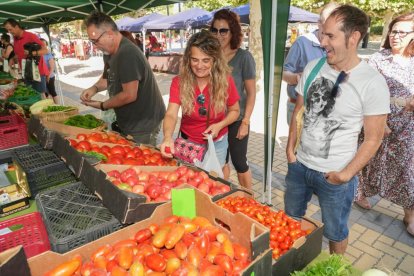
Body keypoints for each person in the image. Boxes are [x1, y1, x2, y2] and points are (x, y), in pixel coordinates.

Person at [284, 4, 390, 254]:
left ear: (353, 37)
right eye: (322, 33)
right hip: (299, 167)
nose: (322, 41)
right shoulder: (312, 68)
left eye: (330, 36)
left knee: (335, 232)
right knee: (290, 221)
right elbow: (300, 112)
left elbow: (373, 139)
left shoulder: (372, 83)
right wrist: (290, 152)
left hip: (335, 176)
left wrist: (344, 175)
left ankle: (337, 268)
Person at [355, 12, 414, 236]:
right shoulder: (379, 58)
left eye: (401, 32)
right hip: (377, 119)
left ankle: (410, 214)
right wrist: (377, 121)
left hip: (407, 127)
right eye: (393, 31)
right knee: (367, 160)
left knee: (407, 170)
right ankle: (359, 193)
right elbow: (365, 90)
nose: (395, 36)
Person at [80, 10, 166, 145]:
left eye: (95, 41)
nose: (94, 46)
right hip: (129, 120)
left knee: (141, 160)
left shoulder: (128, 53)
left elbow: (129, 95)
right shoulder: (108, 51)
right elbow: (107, 78)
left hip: (143, 122)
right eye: (91, 41)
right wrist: (94, 88)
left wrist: (103, 105)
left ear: (109, 34)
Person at [160, 30, 240, 171]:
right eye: (194, 60)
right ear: (188, 59)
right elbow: (171, 114)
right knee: (187, 184)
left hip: (217, 144)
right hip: (188, 144)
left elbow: (235, 111)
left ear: (215, 60)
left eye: (206, 60)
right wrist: (167, 137)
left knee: (213, 184)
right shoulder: (179, 82)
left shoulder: (225, 81)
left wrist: (220, 125)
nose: (199, 66)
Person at [210, 9, 256, 189]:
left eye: (224, 31)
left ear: (233, 32)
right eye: (214, 30)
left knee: (239, 162)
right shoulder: (210, 57)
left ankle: (249, 198)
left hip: (237, 119)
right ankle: (225, 194)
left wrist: (246, 121)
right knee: (221, 162)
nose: (218, 35)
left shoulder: (244, 57)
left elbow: (251, 92)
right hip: (216, 120)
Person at [283, 3, 339, 124]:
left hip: (330, 109)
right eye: (327, 22)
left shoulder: (340, 45)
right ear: (319, 22)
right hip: (301, 106)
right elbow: (283, 73)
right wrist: (298, 78)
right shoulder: (302, 42)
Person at [3, 18, 49, 94]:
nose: (9, 32)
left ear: (17, 27)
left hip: (37, 72)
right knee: (30, 94)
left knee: (40, 96)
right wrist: (12, 60)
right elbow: (18, 54)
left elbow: (45, 50)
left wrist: (32, 53)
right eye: (8, 30)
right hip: (26, 73)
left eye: (10, 29)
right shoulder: (15, 39)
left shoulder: (31, 36)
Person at [40, 38, 58, 104]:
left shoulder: (48, 54)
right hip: (42, 77)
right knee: (45, 93)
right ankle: (49, 106)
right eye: (41, 44)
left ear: (46, 45)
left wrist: (48, 76)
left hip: (50, 76)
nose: (43, 46)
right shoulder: (38, 54)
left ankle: (58, 105)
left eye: (44, 44)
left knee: (52, 91)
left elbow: (52, 67)